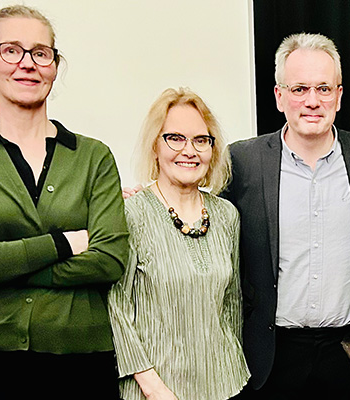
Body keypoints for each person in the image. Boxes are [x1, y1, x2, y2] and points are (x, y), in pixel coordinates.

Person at [0, 5, 128, 399]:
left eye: (41, 53)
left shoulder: (93, 156)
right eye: (11, 50)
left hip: (82, 357)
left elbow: (110, 259)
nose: (28, 64)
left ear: (55, 65)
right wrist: (65, 243)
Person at [222, 32, 350, 400]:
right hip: (272, 355)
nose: (312, 101)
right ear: (279, 96)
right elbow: (200, 210)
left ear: (339, 94)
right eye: (300, 89)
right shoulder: (243, 161)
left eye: (323, 88)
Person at [109, 87, 248, 400]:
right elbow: (116, 308)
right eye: (175, 138)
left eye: (201, 140)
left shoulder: (226, 215)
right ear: (155, 146)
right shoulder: (131, 213)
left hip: (224, 385)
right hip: (154, 391)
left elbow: (232, 305)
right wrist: (153, 388)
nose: (190, 150)